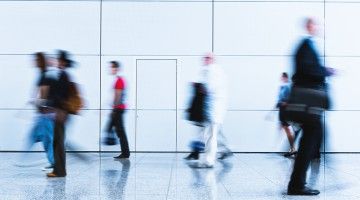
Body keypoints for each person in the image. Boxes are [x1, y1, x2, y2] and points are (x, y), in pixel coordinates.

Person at [287, 18, 335, 195]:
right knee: (311, 138)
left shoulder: (306, 45)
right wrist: (325, 71)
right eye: (315, 25)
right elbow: (307, 70)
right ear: (309, 26)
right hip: (308, 103)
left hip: (308, 104)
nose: (318, 28)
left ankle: (297, 183)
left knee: (314, 137)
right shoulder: (305, 45)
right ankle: (296, 185)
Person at [191, 53, 232, 168]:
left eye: (207, 58)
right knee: (210, 135)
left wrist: (198, 86)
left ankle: (209, 161)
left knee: (211, 136)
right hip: (213, 110)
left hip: (213, 109)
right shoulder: (215, 71)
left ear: (212, 59)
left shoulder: (213, 71)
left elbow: (208, 88)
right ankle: (209, 159)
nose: (204, 60)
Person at [26, 52, 56, 171]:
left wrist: (35, 102)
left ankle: (55, 162)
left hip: (46, 113)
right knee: (45, 138)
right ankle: (53, 161)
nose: (33, 62)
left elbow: (44, 96)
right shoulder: (44, 74)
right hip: (46, 112)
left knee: (45, 138)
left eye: (35, 60)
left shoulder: (44, 75)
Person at [47, 50, 73, 177]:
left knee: (58, 142)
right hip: (60, 112)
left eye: (58, 60)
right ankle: (59, 170)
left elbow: (62, 96)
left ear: (62, 62)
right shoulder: (63, 75)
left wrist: (60, 110)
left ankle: (60, 171)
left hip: (60, 113)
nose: (57, 62)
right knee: (58, 141)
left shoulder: (63, 75)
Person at [106, 61, 130, 159]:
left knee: (119, 131)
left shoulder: (119, 80)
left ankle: (125, 153)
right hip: (119, 108)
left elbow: (118, 96)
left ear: (116, 69)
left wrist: (114, 110)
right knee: (119, 131)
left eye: (112, 67)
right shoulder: (119, 80)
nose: (110, 69)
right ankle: (125, 152)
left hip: (118, 109)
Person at [276, 72, 297, 157]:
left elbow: (288, 100)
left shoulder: (287, 87)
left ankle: (293, 149)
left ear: (285, 77)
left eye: (281, 77)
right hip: (282, 110)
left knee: (288, 130)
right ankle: (293, 149)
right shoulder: (283, 87)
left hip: (286, 111)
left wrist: (282, 103)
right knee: (287, 130)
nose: (280, 79)